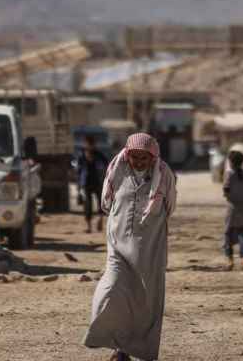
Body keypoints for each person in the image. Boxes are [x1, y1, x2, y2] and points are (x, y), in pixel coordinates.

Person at [84, 133, 177, 361]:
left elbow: (170, 206)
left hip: (149, 251)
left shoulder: (163, 175)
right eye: (134, 156)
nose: (138, 161)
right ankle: (118, 345)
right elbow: (107, 203)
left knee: (144, 303)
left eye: (143, 157)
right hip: (118, 248)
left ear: (152, 156)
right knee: (111, 292)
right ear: (127, 154)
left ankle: (130, 352)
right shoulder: (118, 170)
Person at [222, 150, 243, 271]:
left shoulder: (228, 174)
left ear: (231, 162)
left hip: (232, 209)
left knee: (228, 235)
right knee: (242, 235)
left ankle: (230, 261)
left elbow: (226, 191)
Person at [76, 136, 110, 233]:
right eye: (88, 144)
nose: (90, 146)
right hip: (86, 183)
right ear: (85, 144)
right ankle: (88, 226)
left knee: (100, 203)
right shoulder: (81, 155)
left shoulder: (99, 154)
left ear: (94, 145)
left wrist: (106, 177)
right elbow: (78, 171)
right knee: (87, 205)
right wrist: (79, 186)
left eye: (91, 144)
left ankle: (100, 220)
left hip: (97, 182)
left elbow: (108, 165)